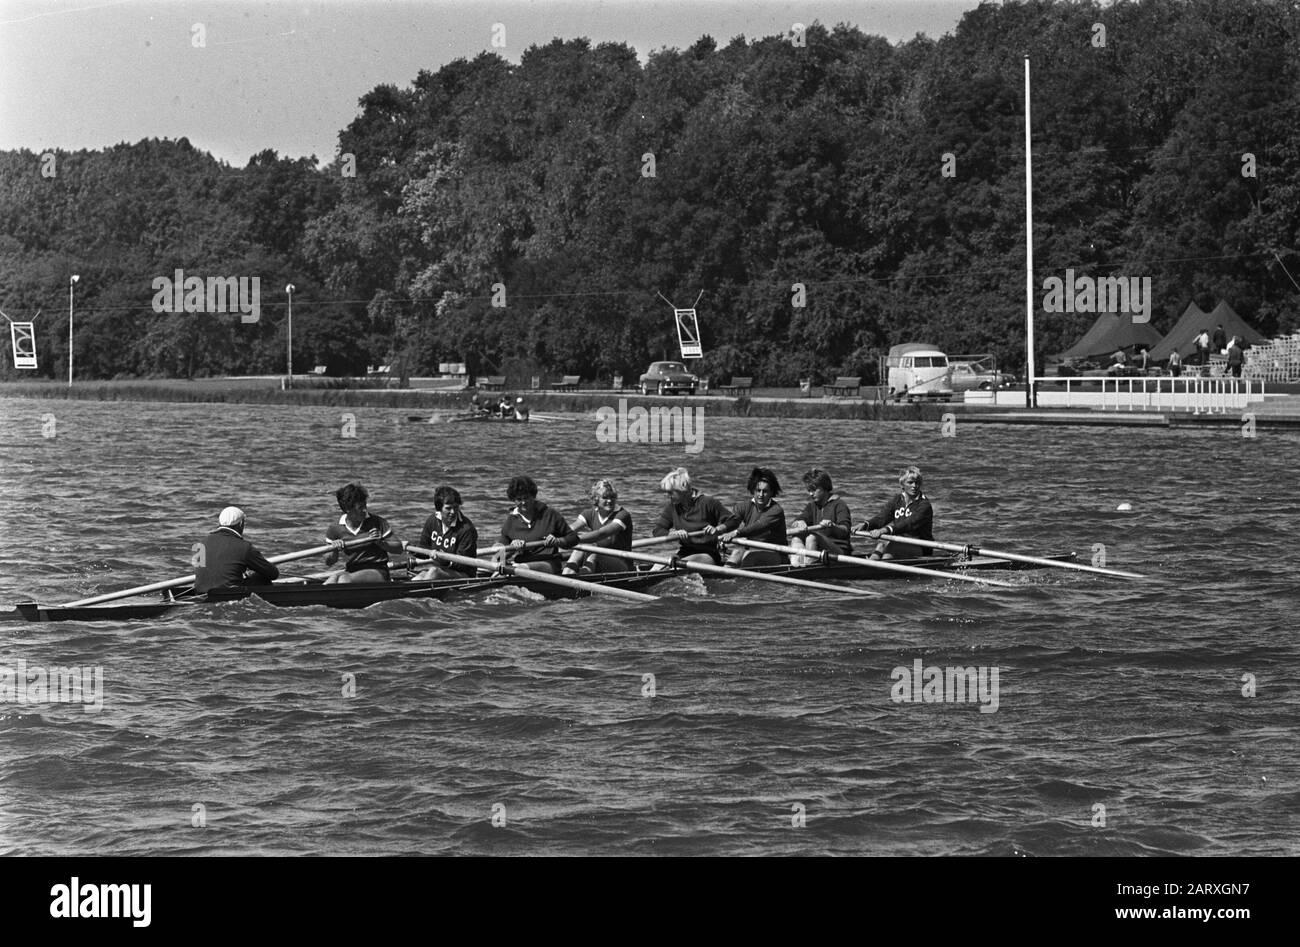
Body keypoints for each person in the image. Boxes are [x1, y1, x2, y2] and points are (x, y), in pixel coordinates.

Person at [324, 482, 404, 583]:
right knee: (332, 580)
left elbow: (399, 548)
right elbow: (329, 562)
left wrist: (381, 543)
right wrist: (334, 550)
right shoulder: (335, 529)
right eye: (360, 507)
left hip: (378, 571)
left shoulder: (377, 522)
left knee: (344, 580)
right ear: (348, 509)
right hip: (352, 571)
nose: (365, 510)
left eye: (365, 505)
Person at [497, 476, 578, 573]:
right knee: (499, 570)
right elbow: (498, 555)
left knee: (516, 569)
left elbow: (574, 538)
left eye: (526, 498)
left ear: (533, 496)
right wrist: (512, 548)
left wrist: (557, 541)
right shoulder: (511, 521)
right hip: (521, 565)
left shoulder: (550, 514)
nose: (523, 502)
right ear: (513, 500)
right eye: (519, 499)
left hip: (548, 563)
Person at [192, 506, 279, 596]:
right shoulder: (244, 547)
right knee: (262, 578)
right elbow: (273, 573)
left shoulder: (199, 545)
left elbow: (203, 573)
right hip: (229, 594)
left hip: (200, 593)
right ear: (241, 524)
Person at [651, 467, 731, 565]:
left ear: (682, 489)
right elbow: (657, 530)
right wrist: (672, 534)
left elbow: (733, 520)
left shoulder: (708, 502)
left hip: (708, 554)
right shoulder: (673, 506)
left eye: (671, 492)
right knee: (658, 566)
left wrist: (718, 529)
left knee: (677, 565)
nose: (668, 496)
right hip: (684, 552)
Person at [856, 466, 934, 560]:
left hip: (921, 546)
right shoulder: (897, 500)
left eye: (917, 483)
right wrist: (865, 525)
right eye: (910, 482)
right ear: (902, 485)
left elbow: (908, 524)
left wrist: (884, 530)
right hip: (900, 542)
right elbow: (882, 518)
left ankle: (881, 569)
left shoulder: (924, 505)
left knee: (892, 547)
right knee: (882, 544)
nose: (914, 486)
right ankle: (869, 565)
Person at [719, 467, 788, 567]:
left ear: (771, 493)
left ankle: (741, 580)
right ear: (753, 490)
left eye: (765, 491)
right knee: (736, 553)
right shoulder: (743, 506)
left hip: (776, 553)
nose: (761, 495)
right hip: (752, 549)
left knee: (749, 557)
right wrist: (719, 530)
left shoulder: (776, 510)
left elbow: (759, 526)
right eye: (758, 490)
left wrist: (736, 533)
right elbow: (732, 521)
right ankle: (725, 575)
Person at [563, 479, 633, 575]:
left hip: (622, 566)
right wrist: (556, 536)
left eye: (612, 497)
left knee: (591, 548)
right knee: (580, 549)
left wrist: (572, 540)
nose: (609, 501)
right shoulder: (589, 513)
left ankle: (582, 579)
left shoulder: (622, 515)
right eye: (605, 497)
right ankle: (567, 575)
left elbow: (601, 534)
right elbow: (570, 529)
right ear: (596, 499)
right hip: (599, 560)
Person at [789, 468, 853, 566]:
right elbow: (799, 519)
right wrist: (799, 522)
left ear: (824, 487)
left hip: (840, 552)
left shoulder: (840, 505)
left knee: (811, 537)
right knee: (796, 538)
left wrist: (833, 526)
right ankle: (800, 564)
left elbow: (845, 530)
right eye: (809, 490)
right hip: (820, 550)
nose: (811, 494)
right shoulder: (812, 506)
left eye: (814, 490)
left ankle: (808, 568)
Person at [413, 486, 479, 579]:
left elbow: (463, 564)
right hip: (441, 570)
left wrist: (444, 560)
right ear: (439, 508)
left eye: (456, 507)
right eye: (448, 508)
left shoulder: (467, 529)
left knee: (434, 572)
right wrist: (411, 549)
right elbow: (424, 550)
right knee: (418, 578)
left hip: (464, 574)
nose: (452, 512)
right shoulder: (432, 521)